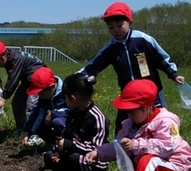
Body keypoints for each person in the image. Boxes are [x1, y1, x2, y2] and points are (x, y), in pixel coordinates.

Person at [77, 2, 185, 136]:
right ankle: (121, 152)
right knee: (122, 128)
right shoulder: (110, 48)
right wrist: (78, 78)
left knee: (161, 121)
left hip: (152, 94)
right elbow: (94, 65)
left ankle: (170, 147)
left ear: (130, 22)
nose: (116, 30)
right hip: (128, 95)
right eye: (111, 27)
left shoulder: (143, 40)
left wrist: (174, 74)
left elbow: (161, 59)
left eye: (119, 25)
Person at [85, 79, 191, 171]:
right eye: (127, 112)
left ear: (147, 107)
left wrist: (136, 144)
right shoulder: (130, 124)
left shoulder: (168, 121)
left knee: (149, 160)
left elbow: (167, 147)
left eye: (132, 112)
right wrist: (98, 152)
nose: (129, 116)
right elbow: (119, 147)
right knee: (145, 159)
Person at [44, 73, 110, 171]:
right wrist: (60, 151)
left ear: (73, 98)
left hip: (94, 158)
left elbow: (97, 148)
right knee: (49, 155)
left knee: (76, 158)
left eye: (65, 97)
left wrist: (70, 145)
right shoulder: (74, 112)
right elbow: (68, 134)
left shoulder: (97, 118)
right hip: (74, 152)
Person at [0, 39, 45, 132]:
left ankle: (37, 132)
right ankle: (22, 128)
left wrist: (4, 99)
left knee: (32, 106)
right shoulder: (10, 58)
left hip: (39, 81)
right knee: (17, 103)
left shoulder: (16, 60)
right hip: (28, 81)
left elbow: (13, 80)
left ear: (3, 54)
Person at [22, 67, 68, 146]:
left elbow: (73, 111)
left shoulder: (66, 91)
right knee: (37, 123)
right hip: (56, 119)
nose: (40, 96)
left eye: (42, 94)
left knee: (57, 121)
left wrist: (54, 113)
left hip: (71, 123)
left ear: (52, 86)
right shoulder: (45, 96)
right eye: (38, 94)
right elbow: (37, 114)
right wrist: (28, 132)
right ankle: (54, 144)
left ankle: (67, 144)